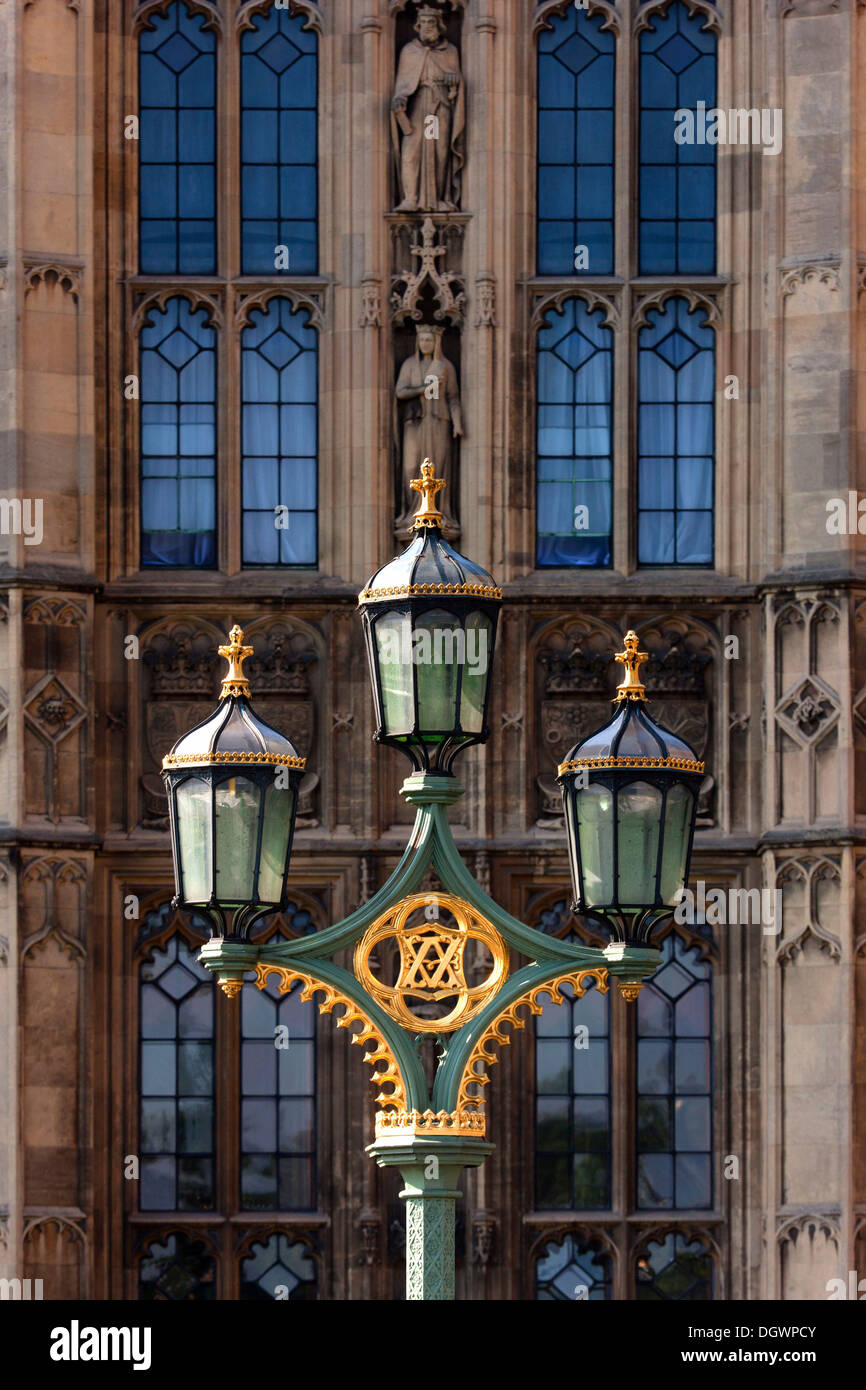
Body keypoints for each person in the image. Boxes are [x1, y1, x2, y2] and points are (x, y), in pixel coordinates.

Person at [391, 7, 465, 212]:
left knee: (438, 151)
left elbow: (457, 83)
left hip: (437, 108)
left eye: (431, 23)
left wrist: (453, 82)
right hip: (417, 108)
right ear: (418, 26)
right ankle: (411, 197)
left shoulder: (449, 51)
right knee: (411, 151)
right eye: (423, 23)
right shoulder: (409, 51)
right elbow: (403, 82)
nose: (427, 27)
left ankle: (437, 198)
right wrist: (399, 100)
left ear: (439, 26)